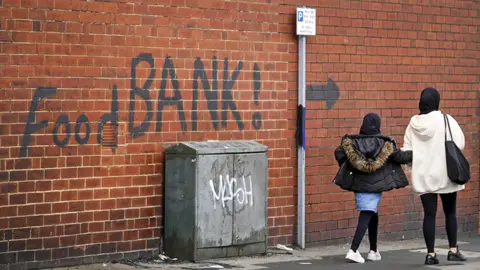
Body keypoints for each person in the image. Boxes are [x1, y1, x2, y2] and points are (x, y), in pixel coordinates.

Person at [334, 113, 413, 263]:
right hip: (376, 186)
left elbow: (339, 152)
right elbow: (401, 157)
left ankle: (373, 250)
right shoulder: (385, 144)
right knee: (367, 214)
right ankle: (353, 250)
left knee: (372, 213)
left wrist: (349, 164)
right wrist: (419, 152)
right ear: (378, 125)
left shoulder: (351, 143)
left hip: (359, 184)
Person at [402, 87, 467, 265]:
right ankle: (453, 250)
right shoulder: (446, 119)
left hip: (423, 176)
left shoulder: (413, 123)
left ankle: (430, 254)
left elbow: (407, 150)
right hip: (446, 175)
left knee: (429, 215)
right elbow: (459, 143)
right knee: (450, 212)